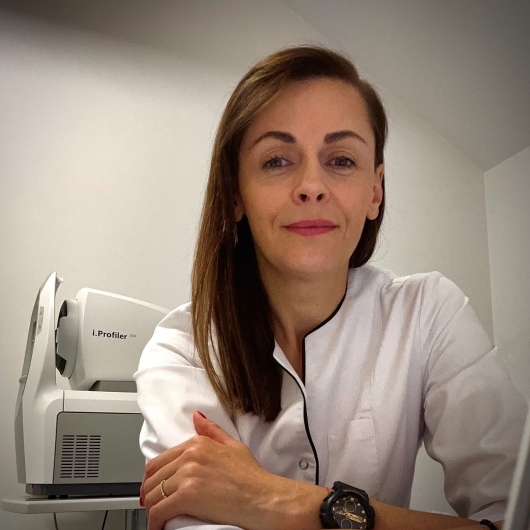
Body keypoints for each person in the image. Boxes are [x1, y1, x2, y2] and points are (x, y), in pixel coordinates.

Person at [134, 46, 527, 530]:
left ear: (375, 191)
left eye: (341, 160)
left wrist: (275, 500)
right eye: (277, 161)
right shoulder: (181, 350)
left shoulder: (429, 313)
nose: (311, 186)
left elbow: (517, 513)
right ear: (236, 194)